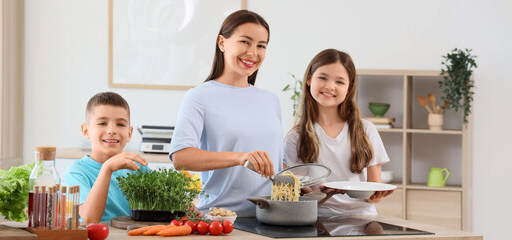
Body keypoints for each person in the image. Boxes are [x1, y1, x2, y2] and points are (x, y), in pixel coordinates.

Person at [169, 10, 283, 217]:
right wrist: (240, 157)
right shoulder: (199, 97)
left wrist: (301, 181)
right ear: (222, 43)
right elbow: (180, 157)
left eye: (261, 46)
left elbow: (275, 163)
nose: (253, 53)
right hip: (220, 220)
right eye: (245, 42)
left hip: (272, 218)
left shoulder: (271, 101)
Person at [284, 49, 394, 216]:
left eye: (340, 82)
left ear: (349, 88)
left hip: (362, 219)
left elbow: (374, 196)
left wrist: (377, 194)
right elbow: (297, 197)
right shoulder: (295, 138)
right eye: (322, 77)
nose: (330, 86)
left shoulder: (366, 130)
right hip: (318, 220)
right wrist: (323, 195)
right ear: (308, 79)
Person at [64, 92, 150, 224]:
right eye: (102, 123)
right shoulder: (77, 172)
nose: (111, 130)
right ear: (86, 131)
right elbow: (90, 219)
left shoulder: (139, 168)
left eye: (120, 125)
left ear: (129, 133)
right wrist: (107, 168)